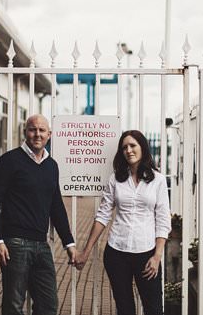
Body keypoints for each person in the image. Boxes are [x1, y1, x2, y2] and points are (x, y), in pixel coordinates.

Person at [0, 114, 77, 315]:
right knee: (14, 305)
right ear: (25, 132)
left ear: (49, 134)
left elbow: (56, 206)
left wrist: (69, 243)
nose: (37, 134)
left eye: (42, 130)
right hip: (15, 243)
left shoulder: (51, 165)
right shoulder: (9, 161)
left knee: (48, 304)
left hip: (41, 245)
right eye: (32, 129)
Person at [74, 130, 171, 315]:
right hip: (117, 252)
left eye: (133, 145)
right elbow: (102, 216)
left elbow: (163, 219)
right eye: (124, 147)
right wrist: (85, 252)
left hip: (147, 253)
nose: (129, 150)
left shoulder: (158, 180)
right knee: (125, 308)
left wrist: (157, 255)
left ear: (142, 148)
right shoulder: (115, 179)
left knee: (154, 309)